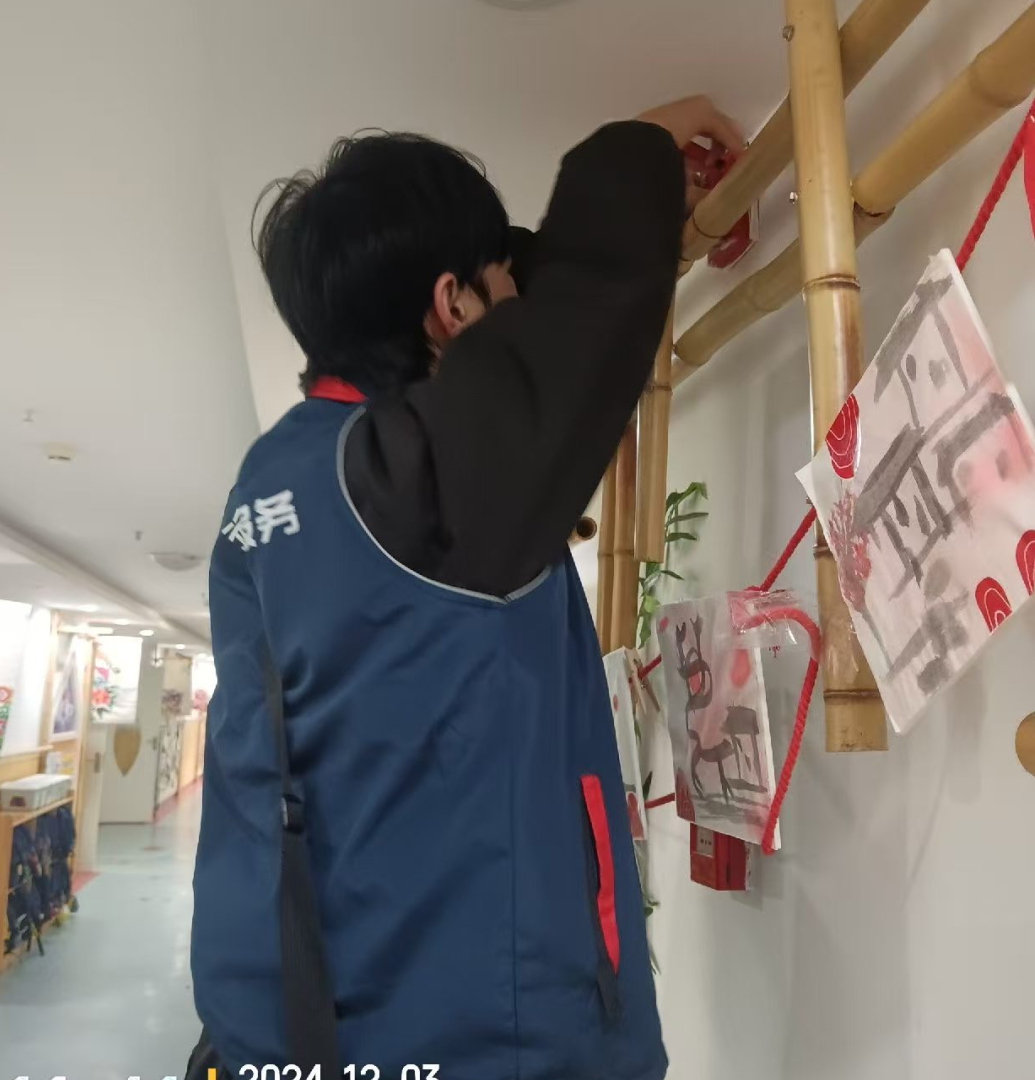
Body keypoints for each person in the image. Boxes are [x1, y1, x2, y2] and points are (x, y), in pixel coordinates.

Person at [187, 95, 742, 1080]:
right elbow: (576, 323)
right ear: (451, 309)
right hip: (476, 1046)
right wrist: (642, 154)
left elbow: (511, 337)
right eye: (497, 288)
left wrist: (497, 263)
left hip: (321, 1026)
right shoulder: (417, 485)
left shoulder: (290, 474)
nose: (518, 307)